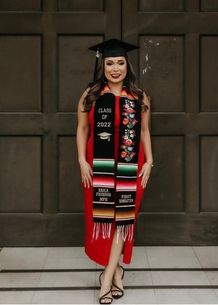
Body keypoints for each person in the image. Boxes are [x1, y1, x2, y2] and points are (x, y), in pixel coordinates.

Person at [76, 38, 153, 304]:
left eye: (120, 62)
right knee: (103, 217)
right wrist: (82, 161)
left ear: (127, 65)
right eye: (110, 63)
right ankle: (117, 269)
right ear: (103, 66)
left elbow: (144, 131)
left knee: (123, 218)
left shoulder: (140, 97)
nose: (115, 68)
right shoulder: (92, 95)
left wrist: (149, 162)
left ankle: (107, 277)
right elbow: (82, 129)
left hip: (132, 164)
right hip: (98, 164)